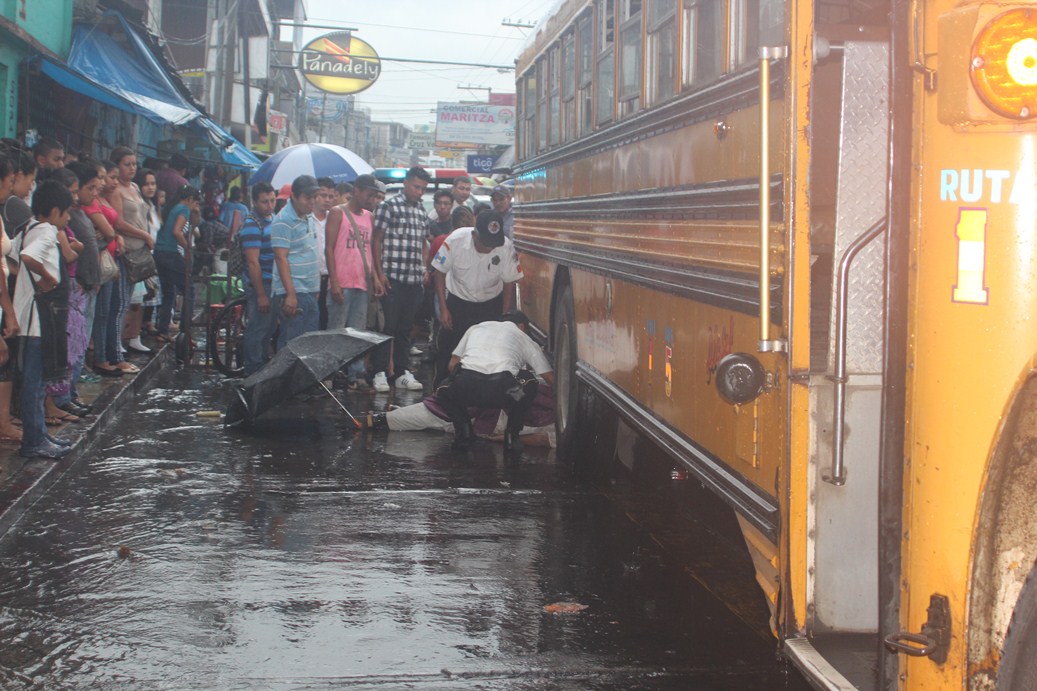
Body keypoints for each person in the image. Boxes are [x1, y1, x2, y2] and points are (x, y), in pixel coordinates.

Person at [436, 311, 554, 454]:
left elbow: (452, 365)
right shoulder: (524, 337)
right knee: (529, 381)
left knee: (443, 390)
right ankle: (512, 436)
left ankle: (464, 433)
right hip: (504, 393)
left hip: (467, 391)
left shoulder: (476, 328)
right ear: (522, 326)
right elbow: (549, 378)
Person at [16, 180, 75, 458]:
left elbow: (15, 258)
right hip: (39, 322)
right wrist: (48, 277)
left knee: (36, 383)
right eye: (66, 213)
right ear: (54, 212)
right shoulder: (49, 231)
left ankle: (39, 435)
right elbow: (27, 257)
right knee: (36, 384)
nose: (68, 218)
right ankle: (34, 442)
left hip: (29, 318)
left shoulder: (28, 227)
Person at [431, 210, 522, 385]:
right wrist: (443, 308)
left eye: (493, 244)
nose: (489, 248)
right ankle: (439, 395)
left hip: (490, 306)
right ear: (474, 235)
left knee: (486, 355)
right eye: (485, 243)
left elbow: (509, 282)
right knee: (448, 352)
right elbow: (439, 272)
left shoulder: (505, 247)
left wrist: (503, 318)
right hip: (458, 304)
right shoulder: (455, 240)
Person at [371, 165, 431, 393]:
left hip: (414, 280)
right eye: (416, 187)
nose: (419, 192)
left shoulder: (421, 211)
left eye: (423, 189)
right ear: (406, 183)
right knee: (387, 328)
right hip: (392, 278)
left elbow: (425, 241)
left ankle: (401, 372)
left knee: (406, 329)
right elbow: (376, 241)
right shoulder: (388, 206)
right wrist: (379, 274)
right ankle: (379, 372)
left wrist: (424, 267)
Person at [363, 382, 556, 449]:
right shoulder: (558, 422)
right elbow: (542, 439)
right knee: (436, 416)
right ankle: (382, 419)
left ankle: (386, 418)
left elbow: (543, 439)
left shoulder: (556, 416)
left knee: (439, 420)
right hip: (484, 414)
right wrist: (499, 438)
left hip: (483, 417)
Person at [324, 174, 384, 390]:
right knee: (336, 330)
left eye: (374, 196)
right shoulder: (337, 212)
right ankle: (329, 374)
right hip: (343, 281)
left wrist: (375, 278)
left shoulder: (369, 216)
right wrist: (335, 281)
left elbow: (368, 250)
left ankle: (355, 373)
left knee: (358, 331)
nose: (371, 199)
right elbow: (329, 248)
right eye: (369, 194)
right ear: (357, 190)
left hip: (362, 282)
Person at [107, 146, 155, 368]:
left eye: (134, 164)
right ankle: (115, 352)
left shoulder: (135, 187)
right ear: (117, 166)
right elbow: (118, 222)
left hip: (140, 252)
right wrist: (144, 234)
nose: (132, 168)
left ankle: (117, 349)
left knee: (131, 302)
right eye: (127, 164)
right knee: (121, 304)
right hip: (126, 251)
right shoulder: (116, 190)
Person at [270, 175, 321, 349]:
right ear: (294, 196)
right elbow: (280, 258)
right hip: (294, 290)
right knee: (291, 343)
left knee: (308, 343)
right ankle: (285, 377)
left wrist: (315, 287)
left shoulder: (308, 216)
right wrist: (290, 295)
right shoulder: (283, 220)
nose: (312, 202)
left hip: (309, 289)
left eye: (314, 197)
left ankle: (300, 377)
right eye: (307, 198)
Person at [240, 181, 277, 376]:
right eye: (265, 202)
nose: (269, 205)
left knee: (268, 328)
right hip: (260, 283)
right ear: (255, 202)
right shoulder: (252, 224)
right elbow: (252, 262)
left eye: (272, 200)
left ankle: (261, 366)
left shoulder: (274, 218)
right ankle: (253, 370)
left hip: (274, 281)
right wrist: (261, 294)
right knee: (258, 328)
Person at [154, 185, 200, 342]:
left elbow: (192, 226)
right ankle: (185, 333)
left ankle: (162, 331)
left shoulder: (172, 207)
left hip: (159, 254)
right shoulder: (183, 209)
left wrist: (196, 213)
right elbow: (177, 232)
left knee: (169, 293)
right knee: (190, 290)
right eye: (196, 203)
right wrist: (187, 248)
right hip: (170, 254)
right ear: (190, 199)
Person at [313, 176, 336, 330]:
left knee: (327, 321)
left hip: (330, 279)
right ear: (314, 195)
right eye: (323, 195)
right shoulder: (306, 219)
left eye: (331, 196)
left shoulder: (334, 219)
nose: (327, 200)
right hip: (311, 279)